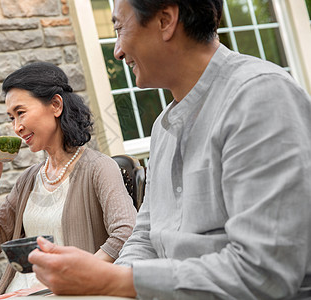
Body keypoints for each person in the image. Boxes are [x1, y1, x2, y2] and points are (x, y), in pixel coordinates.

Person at [28, 0, 311, 299]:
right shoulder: (163, 128)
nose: (118, 51)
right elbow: (146, 238)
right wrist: (106, 287)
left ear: (165, 20)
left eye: (120, 28)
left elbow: (264, 274)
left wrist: (113, 281)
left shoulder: (259, 97)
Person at [0, 62, 137, 295]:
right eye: (11, 118)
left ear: (56, 105)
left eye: (21, 113)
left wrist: (79, 276)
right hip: (21, 292)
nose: (16, 127)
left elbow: (127, 232)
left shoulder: (99, 168)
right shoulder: (29, 179)